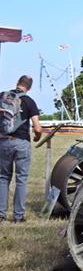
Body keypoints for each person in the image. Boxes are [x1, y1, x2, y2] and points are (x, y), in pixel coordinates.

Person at [0, 75, 42, 223]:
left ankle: (1, 214)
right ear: (29, 87)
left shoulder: (3, 96)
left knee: (3, 178)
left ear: (17, 83)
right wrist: (37, 137)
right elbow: (37, 128)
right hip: (21, 142)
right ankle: (18, 216)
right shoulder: (29, 102)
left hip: (3, 141)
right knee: (21, 179)